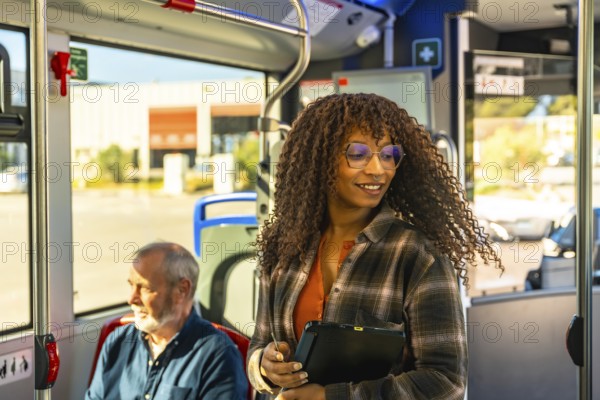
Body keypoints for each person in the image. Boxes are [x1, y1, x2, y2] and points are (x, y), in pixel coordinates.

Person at [247, 93, 503, 400]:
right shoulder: (282, 248)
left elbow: (446, 382)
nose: (378, 169)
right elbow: (260, 344)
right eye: (358, 154)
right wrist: (263, 368)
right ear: (320, 159)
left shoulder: (418, 255)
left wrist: (332, 397)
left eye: (389, 154)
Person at [86, 242, 248, 400]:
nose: (131, 299)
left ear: (181, 290)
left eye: (145, 288)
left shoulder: (217, 356)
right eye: (131, 286)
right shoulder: (117, 342)